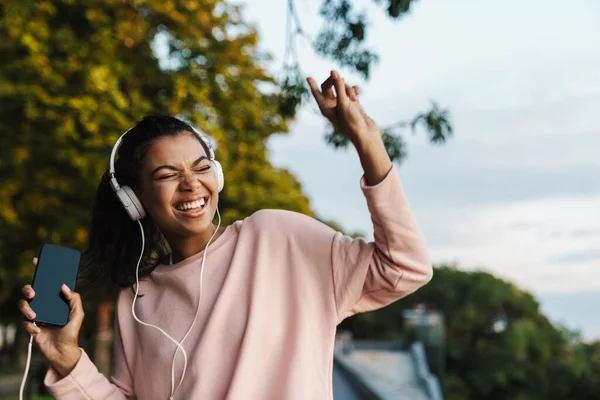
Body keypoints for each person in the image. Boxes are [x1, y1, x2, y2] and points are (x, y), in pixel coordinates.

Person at [18, 70, 433, 399]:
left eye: (200, 168)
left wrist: (368, 141)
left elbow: (404, 267)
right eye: (167, 175)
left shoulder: (278, 237)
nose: (191, 184)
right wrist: (68, 358)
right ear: (135, 199)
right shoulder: (137, 302)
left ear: (216, 175)